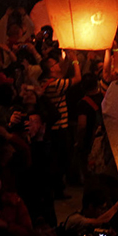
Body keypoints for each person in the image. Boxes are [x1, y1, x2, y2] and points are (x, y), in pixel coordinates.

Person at [40, 50, 81, 200]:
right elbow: (77, 78)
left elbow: (63, 74)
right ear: (51, 69)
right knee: (61, 159)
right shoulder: (56, 84)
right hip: (59, 129)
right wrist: (75, 60)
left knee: (55, 159)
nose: (58, 65)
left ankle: (56, 188)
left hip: (52, 128)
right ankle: (58, 189)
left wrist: (68, 58)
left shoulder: (46, 82)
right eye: (55, 64)